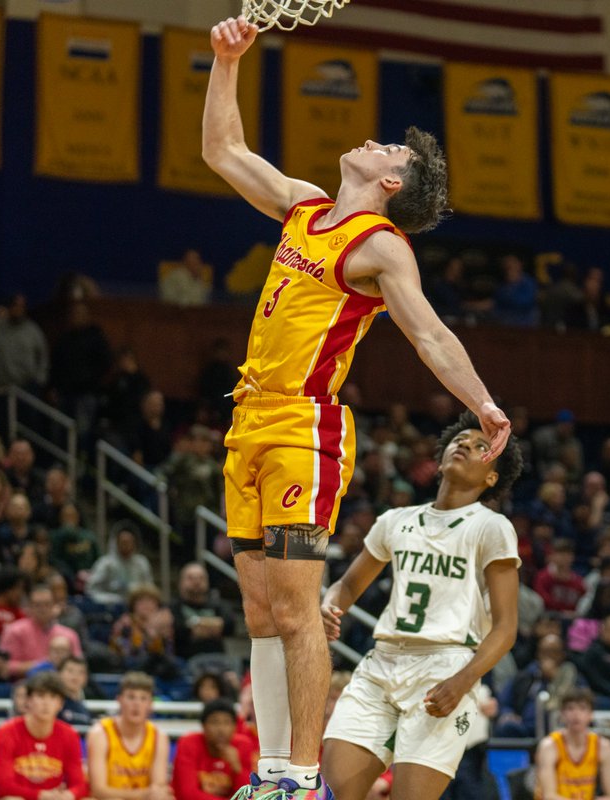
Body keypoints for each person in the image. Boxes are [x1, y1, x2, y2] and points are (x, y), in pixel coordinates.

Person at [204, 16, 511, 799]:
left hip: (304, 429)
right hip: (247, 421)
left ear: (393, 184)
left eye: (390, 149)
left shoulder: (381, 246)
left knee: (297, 610)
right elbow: (223, 152)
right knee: (260, 611)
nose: (375, 141)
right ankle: (273, 771)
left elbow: (430, 335)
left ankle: (302, 779)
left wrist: (482, 402)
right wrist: (226, 62)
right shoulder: (305, 208)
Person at [318, 413, 522, 800]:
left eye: (481, 447)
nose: (466, 445)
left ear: (492, 478)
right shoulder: (395, 520)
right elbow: (348, 585)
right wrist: (330, 604)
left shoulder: (491, 527)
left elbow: (506, 628)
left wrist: (463, 680)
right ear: (440, 459)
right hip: (381, 664)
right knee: (331, 795)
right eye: (460, 440)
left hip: (446, 667)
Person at [0, 672, 88, 800]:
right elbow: (3, 786)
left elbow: (79, 784)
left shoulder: (70, 734)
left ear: (60, 704)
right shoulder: (7, 732)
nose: (46, 703)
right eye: (40, 696)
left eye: (53, 697)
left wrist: (69, 795)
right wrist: (40, 795)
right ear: (28, 701)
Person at [86, 672, 173, 800]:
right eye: (131, 697)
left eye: (143, 698)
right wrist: (143, 794)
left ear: (150, 704)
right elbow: (99, 790)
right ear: (119, 700)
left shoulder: (159, 737)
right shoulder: (100, 733)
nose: (137, 704)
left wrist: (155, 794)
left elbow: (158, 789)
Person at [533, 687, 610, 800]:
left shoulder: (603, 747)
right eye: (570, 708)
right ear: (562, 714)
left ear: (591, 714)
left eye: (582, 708)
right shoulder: (549, 746)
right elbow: (549, 796)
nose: (576, 714)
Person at [172, 699, 257, 800]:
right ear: (203, 725)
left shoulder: (243, 745)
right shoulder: (188, 743)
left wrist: (237, 768)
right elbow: (187, 794)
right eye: (214, 722)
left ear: (235, 727)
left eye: (227, 722)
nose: (221, 729)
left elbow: (249, 796)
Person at [0, 582, 83, 679]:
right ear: (29, 607)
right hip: (25, 684)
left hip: (61, 684)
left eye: (47, 604)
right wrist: (42, 665)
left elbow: (79, 665)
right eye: (37, 605)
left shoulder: (69, 635)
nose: (42, 609)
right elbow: (5, 666)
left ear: (54, 605)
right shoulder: (14, 631)